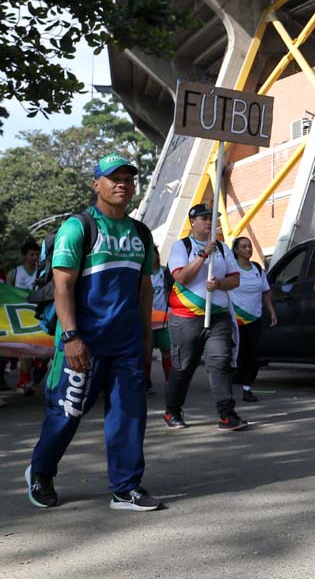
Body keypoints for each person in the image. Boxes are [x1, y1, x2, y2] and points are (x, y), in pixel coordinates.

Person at [27, 154, 160, 510]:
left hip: (127, 344)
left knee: (129, 415)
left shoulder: (140, 233)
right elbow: (63, 287)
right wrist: (71, 337)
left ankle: (125, 487)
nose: (122, 184)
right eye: (113, 178)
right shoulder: (79, 227)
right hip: (82, 342)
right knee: (67, 413)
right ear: (96, 184)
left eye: (128, 179)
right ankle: (40, 471)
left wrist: (147, 343)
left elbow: (144, 291)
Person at [164, 204, 247, 431]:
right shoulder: (181, 246)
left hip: (218, 316)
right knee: (183, 367)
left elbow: (235, 279)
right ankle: (172, 411)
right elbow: (181, 277)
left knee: (219, 362)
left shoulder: (222, 248)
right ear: (193, 222)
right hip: (185, 318)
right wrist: (202, 255)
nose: (209, 222)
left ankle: (227, 414)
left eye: (212, 218)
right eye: (204, 218)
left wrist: (219, 283)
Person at [230, 237, 277, 402]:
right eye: (244, 247)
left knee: (252, 356)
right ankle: (225, 389)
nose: (248, 249)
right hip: (234, 319)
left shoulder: (257, 268)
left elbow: (265, 292)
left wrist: (271, 311)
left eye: (249, 246)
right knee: (235, 354)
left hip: (255, 318)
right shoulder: (230, 268)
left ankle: (247, 389)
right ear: (236, 250)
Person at [10, 239, 42, 395]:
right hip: (19, 319)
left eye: (37, 254)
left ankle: (32, 378)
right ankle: (24, 381)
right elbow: (6, 295)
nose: (35, 257)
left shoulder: (42, 271)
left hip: (38, 316)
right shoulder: (14, 273)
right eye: (31, 254)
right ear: (24, 256)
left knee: (42, 352)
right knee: (26, 351)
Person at [146, 246, 173, 395]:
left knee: (167, 351)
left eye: (153, 254)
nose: (151, 258)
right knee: (146, 353)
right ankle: (147, 382)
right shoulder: (142, 274)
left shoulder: (165, 272)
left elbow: (173, 290)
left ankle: (169, 381)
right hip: (147, 320)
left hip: (164, 320)